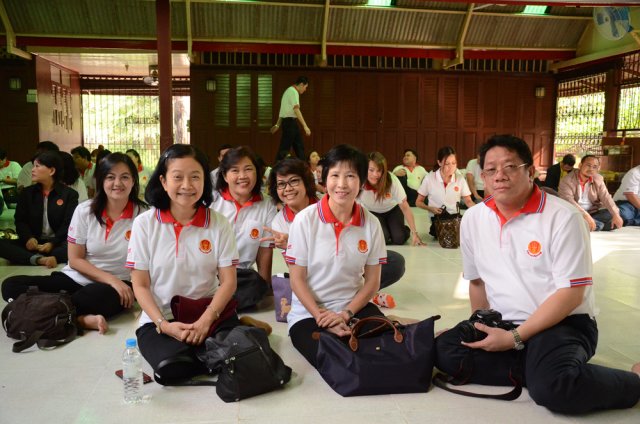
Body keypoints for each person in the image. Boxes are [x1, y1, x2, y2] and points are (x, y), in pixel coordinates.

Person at [434, 135, 640, 414]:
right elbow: (478, 282)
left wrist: (514, 339)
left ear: (530, 171)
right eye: (491, 170)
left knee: (554, 389)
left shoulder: (563, 217)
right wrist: (480, 327)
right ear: (483, 177)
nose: (499, 176)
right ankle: (540, 366)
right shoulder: (473, 218)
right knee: (444, 350)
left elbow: (571, 294)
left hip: (562, 323)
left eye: (510, 167)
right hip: (504, 321)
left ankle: (632, 381)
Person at [127, 144, 240, 384]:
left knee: (241, 362)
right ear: (163, 181)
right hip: (161, 318)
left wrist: (205, 322)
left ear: (205, 181)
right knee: (171, 370)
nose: (187, 185)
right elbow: (140, 285)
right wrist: (164, 325)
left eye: (195, 177)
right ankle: (209, 355)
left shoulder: (219, 223)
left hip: (210, 313)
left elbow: (229, 282)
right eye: (177, 177)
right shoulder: (144, 224)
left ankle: (213, 351)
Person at [1, 153, 146, 333]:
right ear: (101, 181)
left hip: (115, 286)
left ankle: (46, 310)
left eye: (124, 177)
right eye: (110, 177)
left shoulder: (144, 215)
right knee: (10, 286)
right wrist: (111, 280)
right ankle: (78, 319)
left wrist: (119, 282)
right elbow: (75, 260)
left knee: (99, 297)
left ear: (133, 181)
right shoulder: (85, 210)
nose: (117, 183)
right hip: (78, 277)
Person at [285, 144, 388, 368]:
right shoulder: (305, 220)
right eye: (335, 175)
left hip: (354, 307)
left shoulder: (371, 224)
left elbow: (372, 282)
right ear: (324, 179)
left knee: (388, 348)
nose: (342, 184)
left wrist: (345, 314)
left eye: (350, 176)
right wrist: (322, 317)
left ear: (362, 182)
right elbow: (297, 279)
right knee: (336, 359)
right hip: (309, 313)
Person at [263, 157, 403, 308]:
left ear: (306, 182)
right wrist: (292, 245)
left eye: (294, 181)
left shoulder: (330, 201)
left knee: (394, 261)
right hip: (318, 277)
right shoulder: (279, 222)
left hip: (351, 265)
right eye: (281, 184)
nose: (288, 189)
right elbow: (296, 270)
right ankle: (366, 296)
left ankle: (363, 294)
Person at [211, 146, 277, 310]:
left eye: (248, 169)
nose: (242, 176)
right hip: (211, 272)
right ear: (225, 176)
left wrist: (265, 286)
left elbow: (265, 249)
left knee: (255, 286)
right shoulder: (212, 202)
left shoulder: (267, 204)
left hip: (241, 275)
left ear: (257, 172)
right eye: (235, 170)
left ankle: (219, 304)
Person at [0, 151, 78, 267]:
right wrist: (28, 238)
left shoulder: (69, 194)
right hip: (35, 242)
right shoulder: (27, 193)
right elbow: (20, 221)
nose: (32, 170)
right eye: (33, 166)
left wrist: (52, 243)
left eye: (37, 166)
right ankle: (40, 259)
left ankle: (29, 258)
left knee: (75, 248)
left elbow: (68, 224)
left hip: (58, 243)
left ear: (51, 171)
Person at [359, 152, 423, 246]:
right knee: (383, 238)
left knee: (399, 238)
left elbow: (405, 207)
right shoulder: (359, 181)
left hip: (392, 210)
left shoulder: (391, 180)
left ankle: (399, 228)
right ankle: (387, 230)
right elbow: (351, 206)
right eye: (371, 170)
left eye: (379, 170)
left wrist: (414, 233)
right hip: (373, 212)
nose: (375, 174)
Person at [415, 146, 474, 238]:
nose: (451, 167)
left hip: (455, 218)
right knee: (450, 235)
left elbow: (468, 201)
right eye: (447, 164)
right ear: (439, 162)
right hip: (438, 219)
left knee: (469, 230)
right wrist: (430, 208)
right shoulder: (429, 178)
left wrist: (480, 210)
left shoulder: (460, 179)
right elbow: (418, 202)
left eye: (454, 163)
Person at [558, 154, 623, 231]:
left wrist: (615, 214)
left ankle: (591, 224)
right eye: (588, 165)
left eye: (594, 167)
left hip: (593, 213)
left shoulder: (598, 179)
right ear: (580, 165)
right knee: (600, 224)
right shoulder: (567, 180)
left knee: (615, 213)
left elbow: (606, 197)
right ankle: (595, 224)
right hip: (575, 213)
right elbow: (569, 201)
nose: (591, 169)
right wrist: (585, 215)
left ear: (598, 169)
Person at [271, 76, 311, 162]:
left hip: (290, 123)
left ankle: (303, 166)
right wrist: (305, 126)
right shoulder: (293, 92)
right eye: (305, 87)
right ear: (301, 84)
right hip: (290, 123)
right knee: (284, 148)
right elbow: (296, 109)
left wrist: (277, 124)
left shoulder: (288, 91)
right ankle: (276, 167)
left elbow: (282, 110)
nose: (305, 90)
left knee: (299, 147)